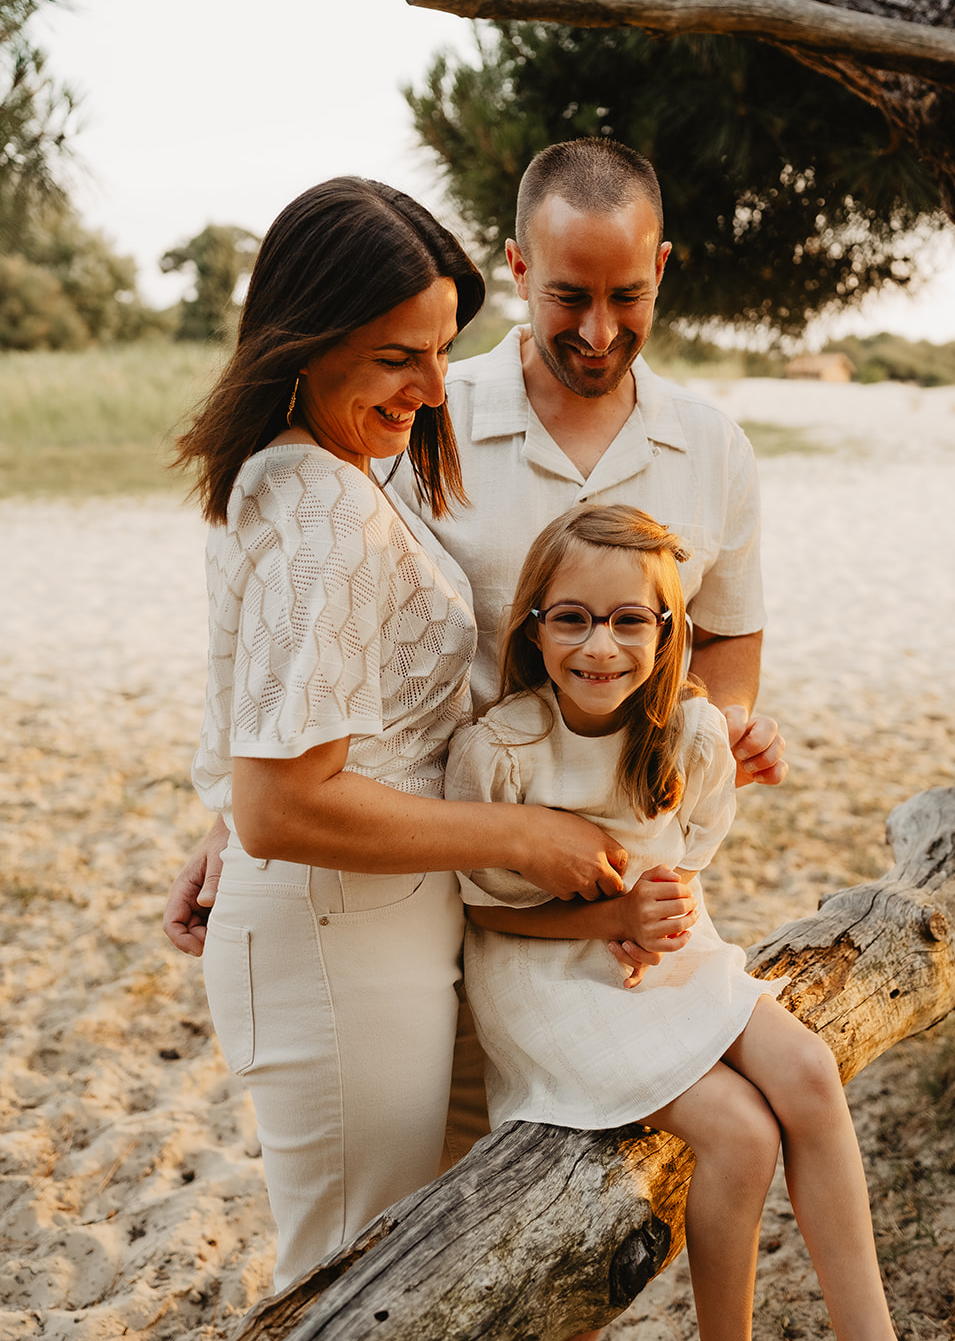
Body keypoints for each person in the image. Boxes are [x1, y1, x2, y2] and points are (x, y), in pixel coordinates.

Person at [172, 176, 628, 1292]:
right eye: (396, 358)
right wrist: (522, 837)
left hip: (367, 923)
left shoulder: (313, 477)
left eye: (440, 351)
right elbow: (282, 802)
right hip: (339, 940)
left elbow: (283, 741)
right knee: (348, 1283)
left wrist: (229, 819)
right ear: (304, 342)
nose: (432, 390)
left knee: (391, 1275)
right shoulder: (321, 505)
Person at [164, 139, 785, 955]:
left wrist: (725, 722)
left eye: (628, 296)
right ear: (519, 269)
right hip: (441, 881)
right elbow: (305, 639)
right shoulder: (414, 417)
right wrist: (230, 818)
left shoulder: (715, 448)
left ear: (660, 268)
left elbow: (727, 633)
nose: (598, 332)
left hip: (632, 884)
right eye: (568, 296)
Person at [448, 505, 896, 1341]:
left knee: (806, 1072)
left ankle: (869, 1330)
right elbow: (481, 905)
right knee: (740, 1130)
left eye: (629, 621)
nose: (600, 647)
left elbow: (682, 862)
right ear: (533, 627)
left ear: (666, 631)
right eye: (572, 619)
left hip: (663, 954)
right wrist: (613, 914)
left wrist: (657, 909)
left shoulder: (689, 732)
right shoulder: (502, 750)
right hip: (541, 973)